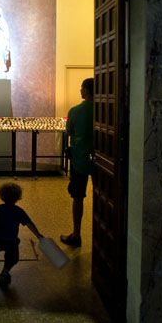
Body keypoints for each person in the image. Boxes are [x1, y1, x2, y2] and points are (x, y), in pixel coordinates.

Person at [0, 182, 43, 289]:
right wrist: (38, 235)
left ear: (2, 196)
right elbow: (29, 224)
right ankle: (5, 272)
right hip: (11, 241)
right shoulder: (19, 211)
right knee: (12, 258)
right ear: (18, 197)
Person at [60, 77, 94, 248]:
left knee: (78, 197)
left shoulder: (76, 111)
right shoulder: (106, 109)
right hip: (100, 160)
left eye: (82, 88)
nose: (80, 90)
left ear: (87, 91)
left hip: (80, 158)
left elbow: (69, 132)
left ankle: (76, 233)